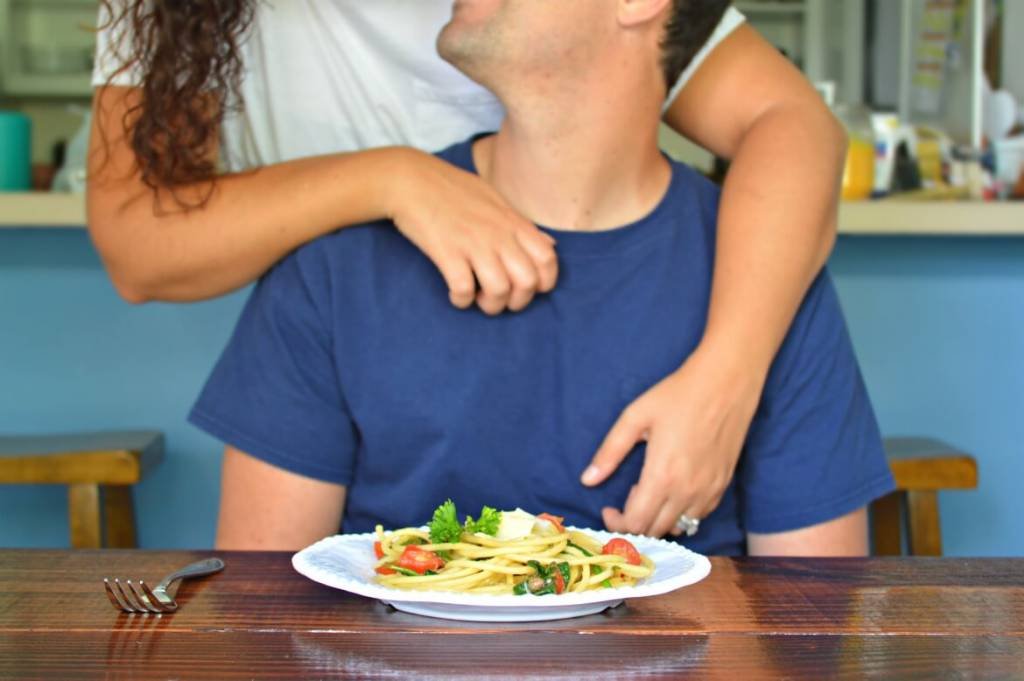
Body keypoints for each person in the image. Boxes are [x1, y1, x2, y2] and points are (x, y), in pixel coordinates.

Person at [88, 1, 848, 539]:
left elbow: (794, 126)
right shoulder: (325, 279)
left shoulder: (709, 251)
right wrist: (389, 180)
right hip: (352, 320)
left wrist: (726, 376)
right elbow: (136, 241)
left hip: (594, 295)